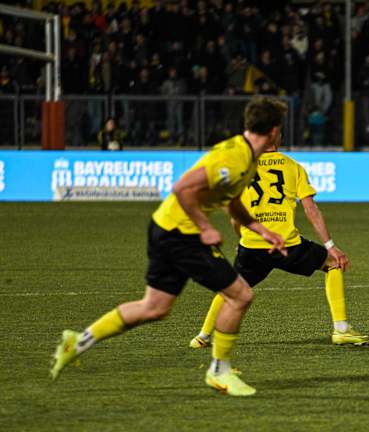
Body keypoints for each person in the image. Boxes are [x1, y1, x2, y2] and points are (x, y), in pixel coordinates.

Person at [50, 96, 290, 397]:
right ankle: (219, 370)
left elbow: (231, 198)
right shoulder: (233, 157)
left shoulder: (247, 157)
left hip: (165, 228)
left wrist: (260, 229)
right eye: (280, 129)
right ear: (273, 131)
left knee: (155, 307)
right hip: (182, 234)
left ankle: (79, 341)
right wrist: (205, 227)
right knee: (240, 295)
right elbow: (182, 189)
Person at [188, 132, 369, 348]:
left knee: (231, 288)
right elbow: (310, 209)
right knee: (333, 264)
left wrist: (242, 239)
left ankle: (203, 337)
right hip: (287, 245)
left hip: (253, 246)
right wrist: (331, 246)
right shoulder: (292, 166)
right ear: (278, 140)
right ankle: (341, 330)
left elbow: (235, 216)